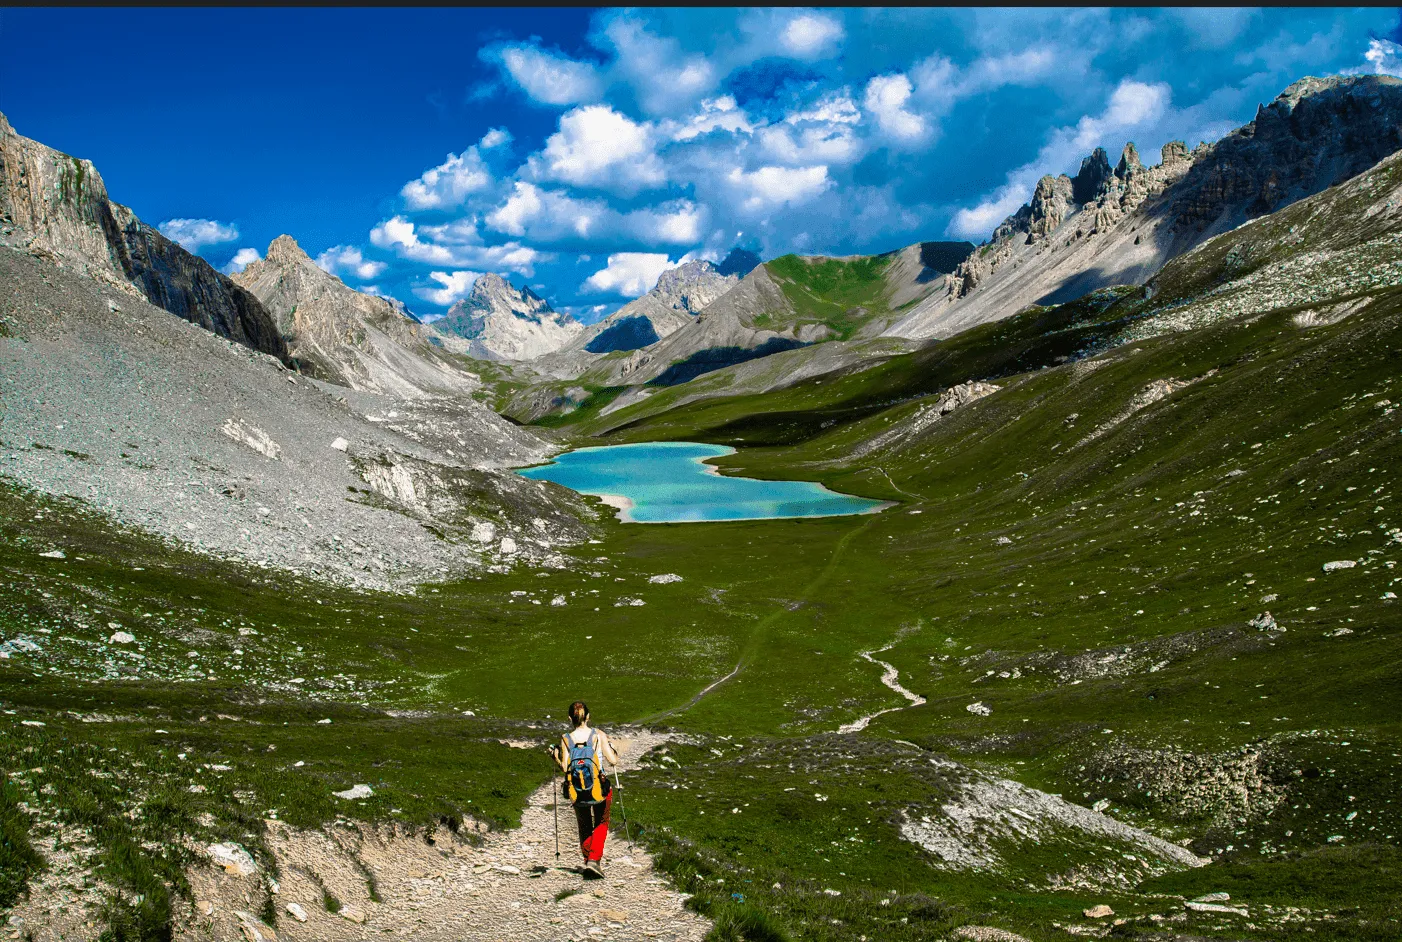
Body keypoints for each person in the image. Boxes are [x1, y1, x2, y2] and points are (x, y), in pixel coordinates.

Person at [552, 700, 620, 879]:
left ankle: (588, 859)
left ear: (569, 718)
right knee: (601, 822)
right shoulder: (598, 735)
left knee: (584, 825)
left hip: (577, 788)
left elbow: (566, 767)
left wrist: (556, 758)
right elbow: (612, 761)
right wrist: (613, 749)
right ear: (588, 717)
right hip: (599, 786)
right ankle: (594, 861)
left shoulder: (566, 739)